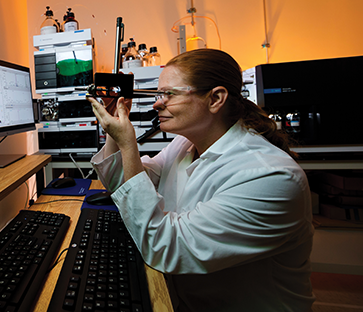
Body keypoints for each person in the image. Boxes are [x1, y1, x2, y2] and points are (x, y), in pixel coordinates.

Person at [87, 49, 314, 312]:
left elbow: (166, 247)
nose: (156, 104)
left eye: (169, 95)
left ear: (215, 98)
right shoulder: (185, 145)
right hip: (185, 299)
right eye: (158, 94)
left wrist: (129, 145)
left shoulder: (270, 177)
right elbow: (123, 183)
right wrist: (116, 127)